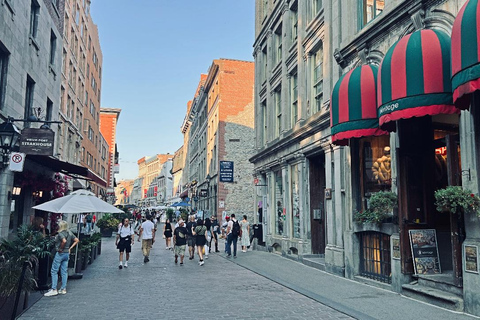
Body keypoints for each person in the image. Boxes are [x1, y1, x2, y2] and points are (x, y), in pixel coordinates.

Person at [44, 221, 79, 296]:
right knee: (64, 271)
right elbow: (76, 240)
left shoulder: (60, 234)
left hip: (60, 253)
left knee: (54, 271)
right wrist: (70, 248)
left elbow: (64, 241)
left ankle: (54, 289)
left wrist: (60, 248)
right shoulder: (69, 233)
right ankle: (63, 289)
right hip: (66, 253)